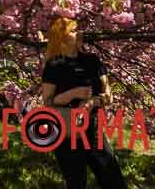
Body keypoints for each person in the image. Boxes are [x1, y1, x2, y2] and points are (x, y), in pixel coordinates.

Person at [39, 17, 127, 189]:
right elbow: (48, 102)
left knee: (114, 181)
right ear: (62, 36)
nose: (79, 33)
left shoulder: (92, 61)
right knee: (77, 182)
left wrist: (94, 101)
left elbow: (108, 94)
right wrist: (73, 94)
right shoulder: (54, 65)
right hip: (67, 132)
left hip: (93, 130)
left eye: (78, 29)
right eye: (73, 30)